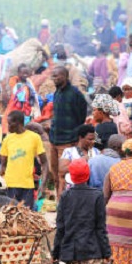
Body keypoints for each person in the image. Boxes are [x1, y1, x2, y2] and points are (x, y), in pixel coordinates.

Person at [49, 66, 88, 196]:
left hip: (67, 140)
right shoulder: (57, 92)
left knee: (64, 175)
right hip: (54, 140)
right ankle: (59, 201)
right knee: (54, 173)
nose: (54, 78)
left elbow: (82, 113)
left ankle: (65, 204)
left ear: (65, 76)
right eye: (53, 76)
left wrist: (74, 131)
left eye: (57, 76)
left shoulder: (74, 93)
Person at [0, 110, 48, 208]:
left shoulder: (34, 138)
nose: (8, 127)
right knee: (10, 217)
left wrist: (43, 184)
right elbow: (3, 165)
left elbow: (45, 162)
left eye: (10, 124)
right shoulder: (7, 139)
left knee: (26, 218)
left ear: (18, 123)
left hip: (27, 186)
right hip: (10, 185)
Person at [59, 124, 100, 188]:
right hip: (74, 189)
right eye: (89, 139)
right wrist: (82, 160)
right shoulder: (69, 152)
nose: (92, 142)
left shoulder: (97, 152)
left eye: (93, 139)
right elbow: (62, 170)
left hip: (93, 190)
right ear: (80, 138)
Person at [3, 64, 40, 131]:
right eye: (23, 73)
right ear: (18, 73)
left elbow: (33, 97)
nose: (25, 75)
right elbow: (9, 96)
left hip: (25, 112)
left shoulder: (29, 84)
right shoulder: (14, 83)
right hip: (13, 110)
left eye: (27, 73)